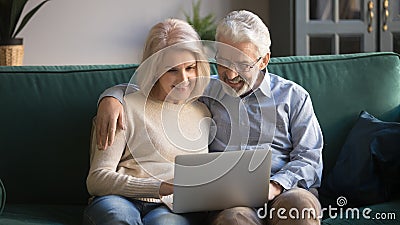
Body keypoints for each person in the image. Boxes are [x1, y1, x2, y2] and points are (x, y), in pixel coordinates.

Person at [96, 10, 323, 225]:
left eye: (243, 64)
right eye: (224, 61)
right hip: (230, 197)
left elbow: (310, 158)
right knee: (233, 219)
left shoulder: (293, 96)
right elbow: (154, 86)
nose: (231, 74)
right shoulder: (204, 91)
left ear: (264, 61)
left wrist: (275, 186)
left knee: (300, 207)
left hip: (287, 188)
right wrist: (112, 96)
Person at [83, 18, 211, 225]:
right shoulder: (121, 106)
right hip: (117, 199)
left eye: (190, 68)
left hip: (172, 208)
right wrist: (159, 187)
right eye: (172, 70)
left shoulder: (204, 111)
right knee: (118, 218)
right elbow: (97, 179)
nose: (184, 79)